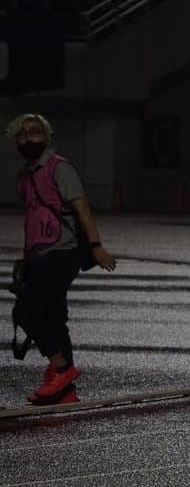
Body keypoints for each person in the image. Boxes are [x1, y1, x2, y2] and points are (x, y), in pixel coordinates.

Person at [8, 113, 117, 405]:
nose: (28, 138)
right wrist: (25, 260)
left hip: (63, 251)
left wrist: (96, 246)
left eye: (34, 132)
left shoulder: (59, 168)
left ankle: (62, 369)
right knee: (54, 316)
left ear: (46, 137)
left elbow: (82, 208)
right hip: (39, 254)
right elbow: (32, 220)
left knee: (26, 310)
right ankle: (65, 392)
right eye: (22, 134)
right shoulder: (25, 177)